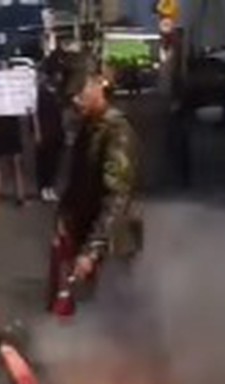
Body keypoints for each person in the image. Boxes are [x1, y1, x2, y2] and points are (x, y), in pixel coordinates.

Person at [58, 71, 142, 284]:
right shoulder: (87, 128)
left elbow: (117, 197)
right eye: (71, 97)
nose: (75, 101)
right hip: (86, 234)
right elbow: (77, 178)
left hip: (113, 245)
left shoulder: (117, 132)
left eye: (79, 93)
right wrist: (63, 214)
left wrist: (92, 250)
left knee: (113, 309)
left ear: (98, 86)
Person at [33, 70, 65, 203]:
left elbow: (61, 116)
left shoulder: (58, 94)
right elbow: (34, 116)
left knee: (54, 162)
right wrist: (36, 132)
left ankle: (51, 187)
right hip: (45, 133)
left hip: (57, 133)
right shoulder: (39, 95)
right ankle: (43, 189)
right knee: (43, 163)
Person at [0, 114, 26, 205]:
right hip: (10, 128)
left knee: (1, 166)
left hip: (0, 128)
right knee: (15, 164)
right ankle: (20, 196)